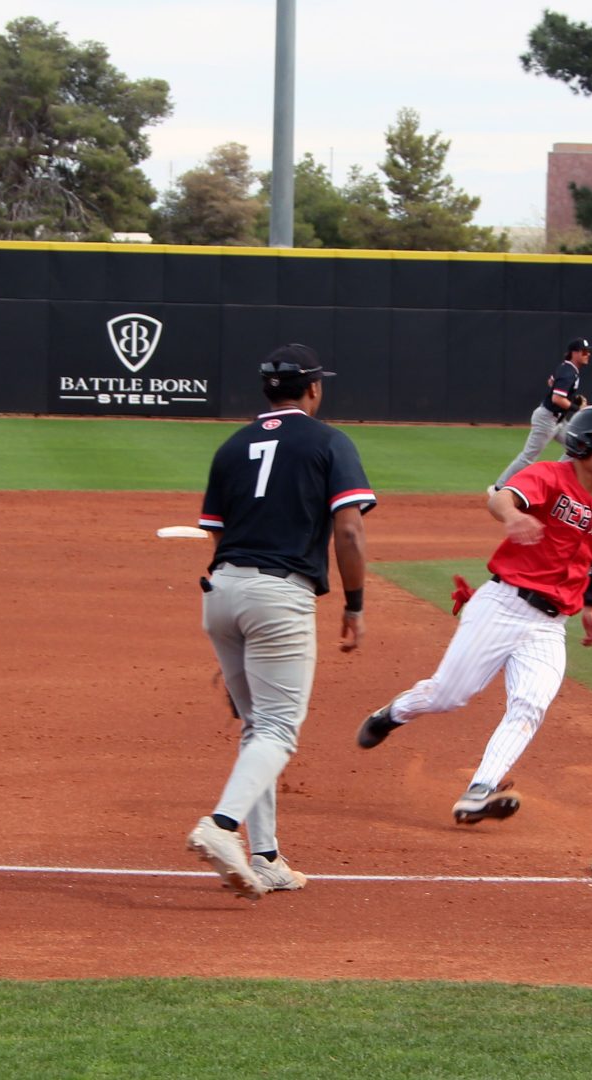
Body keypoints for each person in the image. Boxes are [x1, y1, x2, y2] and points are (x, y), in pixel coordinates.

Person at [359, 404, 592, 824]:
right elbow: (502, 497)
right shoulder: (548, 476)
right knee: (449, 695)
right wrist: (512, 517)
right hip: (503, 605)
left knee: (529, 705)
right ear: (582, 443)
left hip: (549, 625)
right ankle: (393, 714)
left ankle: (479, 791)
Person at [184, 344, 376, 899]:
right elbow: (348, 531)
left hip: (221, 593)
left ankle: (265, 856)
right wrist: (355, 604)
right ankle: (220, 828)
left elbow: (216, 533)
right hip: (277, 597)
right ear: (313, 388)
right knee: (276, 727)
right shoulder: (329, 441)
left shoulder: (232, 445)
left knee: (256, 725)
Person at [491, 336, 592, 491]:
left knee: (579, 448)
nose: (588, 354)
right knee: (528, 457)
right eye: (584, 351)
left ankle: (556, 479)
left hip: (558, 420)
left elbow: (551, 382)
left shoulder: (567, 368)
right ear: (574, 353)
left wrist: (571, 398)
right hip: (547, 419)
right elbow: (557, 398)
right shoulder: (568, 372)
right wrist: (576, 408)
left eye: (588, 352)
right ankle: (499, 488)